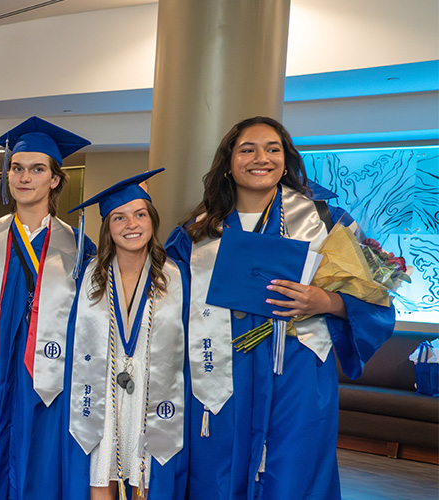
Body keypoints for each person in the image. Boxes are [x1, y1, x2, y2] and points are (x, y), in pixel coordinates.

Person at [166, 116, 395, 500]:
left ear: (286, 160)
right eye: (247, 149)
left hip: (298, 373)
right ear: (228, 162)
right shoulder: (196, 233)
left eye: (272, 149)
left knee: (293, 472)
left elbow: (378, 303)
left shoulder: (326, 222)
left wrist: (327, 301)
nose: (261, 158)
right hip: (219, 371)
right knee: (217, 469)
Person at [0, 117, 96, 499]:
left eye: (37, 169)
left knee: (42, 459)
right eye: (16, 169)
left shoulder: (78, 246)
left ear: (54, 179)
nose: (24, 177)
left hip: (52, 372)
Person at [66, 169, 188, 500]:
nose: (131, 224)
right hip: (101, 390)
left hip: (153, 392)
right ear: (107, 227)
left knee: (145, 478)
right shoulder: (89, 277)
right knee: (99, 472)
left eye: (139, 214)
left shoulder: (175, 276)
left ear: (152, 220)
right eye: (119, 217)